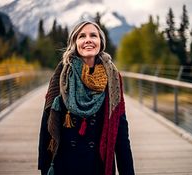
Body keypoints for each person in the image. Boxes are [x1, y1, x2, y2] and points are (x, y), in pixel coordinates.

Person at [38, 21, 135, 175]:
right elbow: (46, 128)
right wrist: (45, 168)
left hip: (98, 165)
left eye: (93, 36)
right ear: (74, 43)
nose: (88, 40)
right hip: (65, 165)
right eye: (82, 36)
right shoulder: (61, 76)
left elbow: (121, 134)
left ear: (101, 43)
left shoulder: (113, 79)